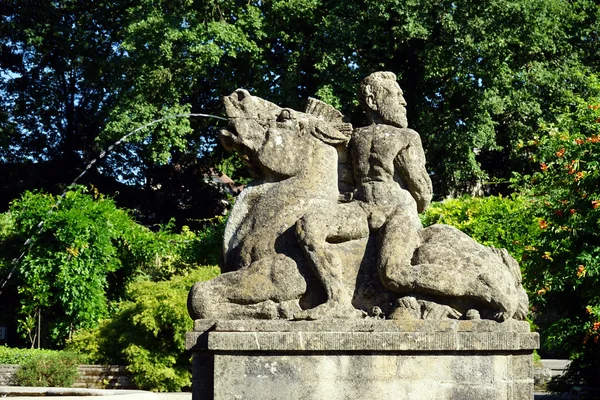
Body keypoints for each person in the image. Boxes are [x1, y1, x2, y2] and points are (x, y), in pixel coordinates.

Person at [294, 71, 433, 319]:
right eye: (397, 95)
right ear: (372, 100)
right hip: (360, 208)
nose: (404, 102)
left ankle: (444, 297)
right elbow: (341, 179)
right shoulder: (354, 137)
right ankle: (337, 300)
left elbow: (423, 195)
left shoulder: (408, 137)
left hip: (397, 211)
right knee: (309, 224)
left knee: (393, 271)